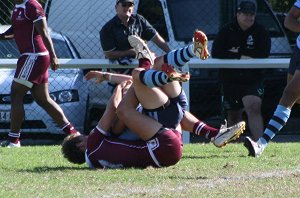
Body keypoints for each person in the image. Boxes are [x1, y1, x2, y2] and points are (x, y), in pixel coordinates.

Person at [0, 0, 79, 148]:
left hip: (34, 56)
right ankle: (73, 133)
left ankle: (13, 141)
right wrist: (2, 36)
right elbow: (16, 29)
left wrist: (54, 56)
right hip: (30, 56)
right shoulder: (18, 7)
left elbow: (43, 32)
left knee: (16, 94)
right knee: (43, 99)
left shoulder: (32, 5)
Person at [244, 0, 300, 157]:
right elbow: (289, 20)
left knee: (289, 94)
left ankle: (261, 144)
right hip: (298, 51)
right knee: (296, 98)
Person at [211, 0, 271, 142]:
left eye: (252, 14)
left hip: (253, 79)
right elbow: (217, 52)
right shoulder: (227, 30)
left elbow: (263, 53)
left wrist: (238, 50)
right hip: (230, 80)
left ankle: (260, 145)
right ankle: (231, 146)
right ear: (238, 14)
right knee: (233, 114)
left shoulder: (260, 31)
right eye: (245, 14)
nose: (249, 18)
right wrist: (242, 55)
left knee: (253, 106)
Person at [100, 0, 171, 72]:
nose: (127, 7)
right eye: (124, 5)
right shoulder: (107, 29)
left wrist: (170, 53)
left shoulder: (139, 20)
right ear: (116, 7)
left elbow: (156, 38)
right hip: (118, 70)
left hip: (140, 66)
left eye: (130, 5)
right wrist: (131, 52)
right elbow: (109, 54)